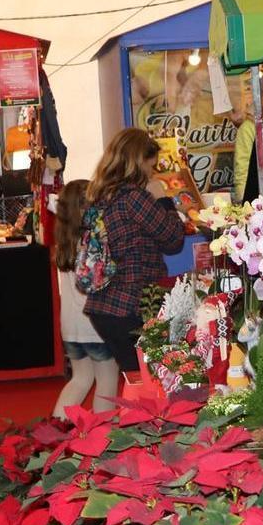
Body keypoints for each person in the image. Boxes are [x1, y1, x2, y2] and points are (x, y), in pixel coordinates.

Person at [83, 128, 185, 374]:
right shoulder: (134, 198)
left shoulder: (100, 193)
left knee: (134, 376)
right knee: (149, 380)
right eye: (151, 166)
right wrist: (162, 198)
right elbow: (173, 239)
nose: (152, 172)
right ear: (139, 161)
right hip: (131, 304)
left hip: (104, 304)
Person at [51, 180, 120, 418]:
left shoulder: (63, 243)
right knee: (108, 382)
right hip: (94, 325)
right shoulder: (93, 241)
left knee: (80, 379)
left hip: (70, 326)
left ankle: (57, 429)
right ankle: (102, 438)